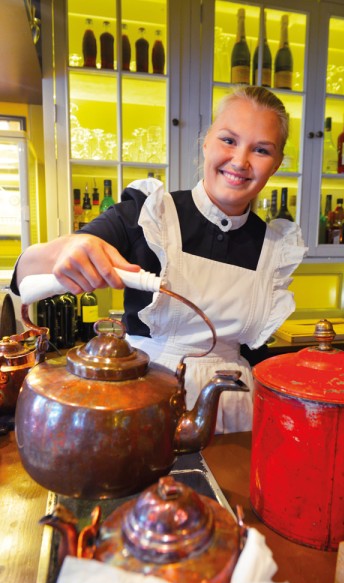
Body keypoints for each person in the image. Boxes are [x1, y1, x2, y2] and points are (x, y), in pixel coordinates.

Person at [11, 85, 307, 433]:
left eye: (260, 150)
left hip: (233, 415)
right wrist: (68, 248)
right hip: (141, 402)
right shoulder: (151, 214)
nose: (240, 161)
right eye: (229, 140)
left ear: (276, 164)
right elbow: (23, 275)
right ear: (206, 140)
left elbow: (251, 351)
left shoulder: (274, 248)